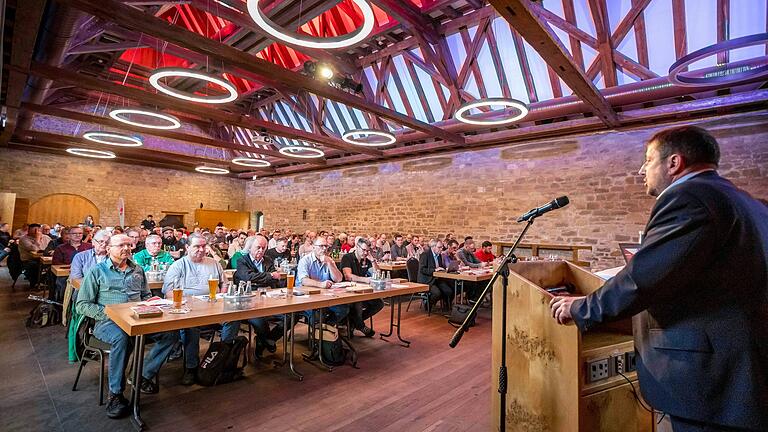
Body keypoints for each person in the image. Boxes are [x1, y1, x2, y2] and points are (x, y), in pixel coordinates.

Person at [549, 126, 768, 432]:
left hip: (711, 375)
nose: (642, 169)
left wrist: (581, 307)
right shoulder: (746, 200)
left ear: (674, 163)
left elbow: (643, 279)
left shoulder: (688, 197)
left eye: (648, 160)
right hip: (739, 363)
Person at [76, 234, 178, 419]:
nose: (126, 248)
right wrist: (111, 314)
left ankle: (142, 375)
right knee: (122, 338)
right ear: (108, 249)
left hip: (139, 318)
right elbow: (82, 304)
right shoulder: (97, 271)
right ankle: (115, 394)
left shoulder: (137, 269)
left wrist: (153, 302)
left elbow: (145, 295)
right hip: (107, 322)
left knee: (170, 334)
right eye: (121, 245)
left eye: (128, 245)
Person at [162, 233, 236, 385]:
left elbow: (224, 283)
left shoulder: (213, 263)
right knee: (191, 327)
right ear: (187, 247)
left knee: (233, 319)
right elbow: (168, 293)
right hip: (189, 310)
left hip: (213, 307)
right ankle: (191, 367)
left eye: (203, 246)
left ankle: (222, 356)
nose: (201, 250)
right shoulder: (178, 266)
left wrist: (220, 297)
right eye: (197, 246)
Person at [233, 235, 284, 358]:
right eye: (258, 247)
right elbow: (248, 277)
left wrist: (263, 278)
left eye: (263, 248)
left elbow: (274, 280)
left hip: (269, 298)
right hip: (250, 301)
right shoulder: (242, 261)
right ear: (250, 247)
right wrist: (269, 276)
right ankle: (264, 341)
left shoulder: (267, 260)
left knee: (292, 314)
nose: (261, 250)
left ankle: (267, 340)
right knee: (260, 321)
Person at [296, 236, 348, 324]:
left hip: (325, 296)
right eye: (321, 246)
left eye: (326, 246)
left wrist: (329, 263)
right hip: (307, 297)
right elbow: (304, 280)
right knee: (317, 315)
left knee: (343, 309)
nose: (324, 249)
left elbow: (338, 279)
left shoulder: (329, 260)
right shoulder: (305, 260)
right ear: (313, 247)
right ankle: (318, 332)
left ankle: (325, 328)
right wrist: (321, 284)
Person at [339, 237, 383, 337]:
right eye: (363, 250)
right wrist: (366, 280)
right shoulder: (347, 257)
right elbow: (348, 276)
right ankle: (359, 325)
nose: (366, 253)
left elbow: (378, 274)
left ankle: (353, 323)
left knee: (379, 303)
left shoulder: (367, 259)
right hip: (348, 291)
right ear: (357, 247)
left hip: (363, 291)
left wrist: (372, 260)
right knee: (358, 302)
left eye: (368, 250)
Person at [417, 239, 453, 309]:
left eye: (442, 247)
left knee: (449, 290)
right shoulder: (425, 255)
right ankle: (428, 303)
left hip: (436, 279)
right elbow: (422, 269)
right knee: (437, 293)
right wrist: (434, 270)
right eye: (439, 247)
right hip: (427, 280)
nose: (441, 249)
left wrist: (445, 269)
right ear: (433, 247)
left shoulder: (439, 255)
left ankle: (447, 307)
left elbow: (439, 266)